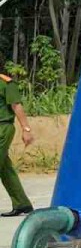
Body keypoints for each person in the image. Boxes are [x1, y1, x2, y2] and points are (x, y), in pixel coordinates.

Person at [0, 58, 34, 217]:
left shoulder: (7, 83)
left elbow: (16, 105)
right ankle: (22, 204)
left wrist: (26, 129)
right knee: (5, 170)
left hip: (3, 128)